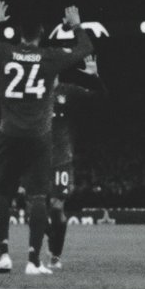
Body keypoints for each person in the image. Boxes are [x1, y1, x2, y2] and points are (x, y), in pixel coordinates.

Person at [0, 5, 93, 275]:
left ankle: (3, 256)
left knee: (2, 193)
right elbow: (84, 49)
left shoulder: (3, 51)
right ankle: (33, 261)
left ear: (19, 31)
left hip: (7, 133)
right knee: (37, 196)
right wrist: (76, 25)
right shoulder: (50, 57)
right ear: (42, 32)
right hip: (38, 136)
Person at [46, 38, 104, 269]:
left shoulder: (67, 92)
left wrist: (94, 77)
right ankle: (51, 237)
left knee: (57, 208)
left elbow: (100, 100)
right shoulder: (33, 93)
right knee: (34, 212)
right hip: (36, 158)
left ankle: (55, 257)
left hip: (61, 159)